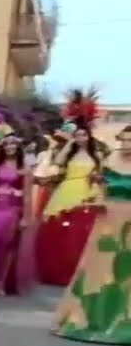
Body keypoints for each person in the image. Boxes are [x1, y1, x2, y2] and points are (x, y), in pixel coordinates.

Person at [53, 124, 131, 344]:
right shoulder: (109, 163)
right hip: (108, 221)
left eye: (130, 141)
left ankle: (123, 320)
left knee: (126, 270)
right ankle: (90, 317)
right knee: (100, 268)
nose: (126, 145)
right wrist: (97, 200)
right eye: (123, 140)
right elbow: (100, 190)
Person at [36, 123, 104, 286]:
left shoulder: (97, 155)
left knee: (79, 232)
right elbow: (58, 161)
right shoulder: (69, 154)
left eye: (83, 135)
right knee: (58, 228)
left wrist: (95, 191)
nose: (80, 138)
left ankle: (75, 271)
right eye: (77, 135)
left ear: (89, 137)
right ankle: (54, 270)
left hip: (84, 190)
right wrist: (69, 143)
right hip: (66, 189)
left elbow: (100, 175)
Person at [0, 133, 37, 295]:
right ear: (2, 148)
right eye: (7, 144)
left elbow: (27, 195)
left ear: (18, 148)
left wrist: (26, 217)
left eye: (13, 145)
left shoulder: (24, 170)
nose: (10, 147)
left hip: (13, 210)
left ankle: (1, 282)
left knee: (9, 246)